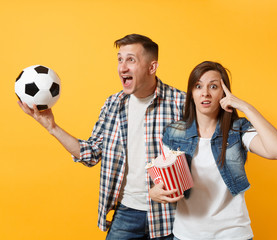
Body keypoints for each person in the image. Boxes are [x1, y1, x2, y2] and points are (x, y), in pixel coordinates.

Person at [18, 34, 186, 239]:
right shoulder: (113, 104)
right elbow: (91, 153)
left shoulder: (181, 103)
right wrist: (52, 127)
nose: (122, 67)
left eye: (131, 60)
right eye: (120, 59)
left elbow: (202, 157)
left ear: (152, 67)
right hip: (126, 212)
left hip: (171, 216)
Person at [149, 61, 277, 240]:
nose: (205, 93)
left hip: (233, 234)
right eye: (198, 86)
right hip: (187, 235)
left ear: (224, 93)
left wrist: (244, 106)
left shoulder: (238, 129)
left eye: (213, 86)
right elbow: (163, 179)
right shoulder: (175, 132)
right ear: (191, 93)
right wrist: (154, 192)